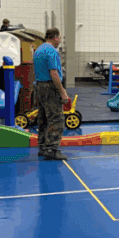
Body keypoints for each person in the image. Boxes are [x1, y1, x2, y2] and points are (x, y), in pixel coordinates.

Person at [33, 27, 71, 161]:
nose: (59, 40)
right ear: (55, 37)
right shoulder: (52, 51)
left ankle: (43, 147)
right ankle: (52, 149)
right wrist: (62, 91)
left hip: (39, 86)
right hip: (50, 86)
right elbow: (54, 73)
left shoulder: (38, 50)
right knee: (56, 118)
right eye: (59, 38)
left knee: (43, 117)